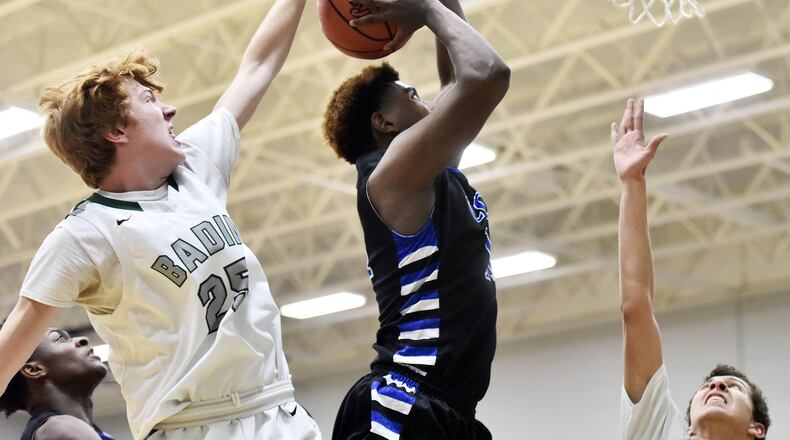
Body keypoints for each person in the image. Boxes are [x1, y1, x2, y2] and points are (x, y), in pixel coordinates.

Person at [0, 1, 322, 439]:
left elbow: (257, 65)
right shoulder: (84, 235)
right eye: (150, 100)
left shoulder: (196, 165)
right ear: (116, 131)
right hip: (193, 426)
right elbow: (12, 347)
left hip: (280, 410)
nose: (169, 110)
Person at [322, 0, 509, 438]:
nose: (424, 98)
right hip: (404, 401)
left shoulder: (424, 168)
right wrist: (425, 11)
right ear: (384, 121)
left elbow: (460, 78)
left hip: (450, 407)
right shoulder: (392, 175)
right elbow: (487, 75)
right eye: (410, 95)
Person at [614, 98, 771, 440]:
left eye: (733, 387)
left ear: (756, 429)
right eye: (712, 385)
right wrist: (632, 183)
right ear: (687, 429)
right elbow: (636, 308)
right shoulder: (659, 430)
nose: (716, 385)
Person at [0, 325, 113, 440]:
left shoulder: (63, 429)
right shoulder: (59, 430)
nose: (83, 339)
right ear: (34, 370)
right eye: (60, 338)